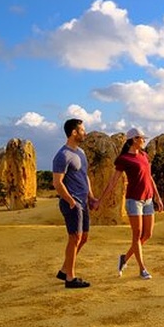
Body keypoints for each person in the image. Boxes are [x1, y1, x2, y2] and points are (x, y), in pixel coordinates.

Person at [97, 127, 164, 279]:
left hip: (148, 199)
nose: (144, 141)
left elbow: (150, 177)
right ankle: (142, 269)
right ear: (134, 140)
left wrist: (157, 197)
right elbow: (113, 181)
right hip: (134, 200)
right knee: (137, 235)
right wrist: (101, 199)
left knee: (148, 234)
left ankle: (124, 259)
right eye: (142, 138)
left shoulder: (144, 155)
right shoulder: (124, 159)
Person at [52, 118, 98, 289]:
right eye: (82, 130)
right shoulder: (62, 156)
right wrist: (70, 200)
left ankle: (65, 270)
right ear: (74, 132)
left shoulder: (81, 153)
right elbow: (57, 183)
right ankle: (70, 278)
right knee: (75, 238)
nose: (85, 133)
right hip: (72, 203)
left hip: (83, 202)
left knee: (83, 237)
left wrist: (91, 197)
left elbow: (84, 176)